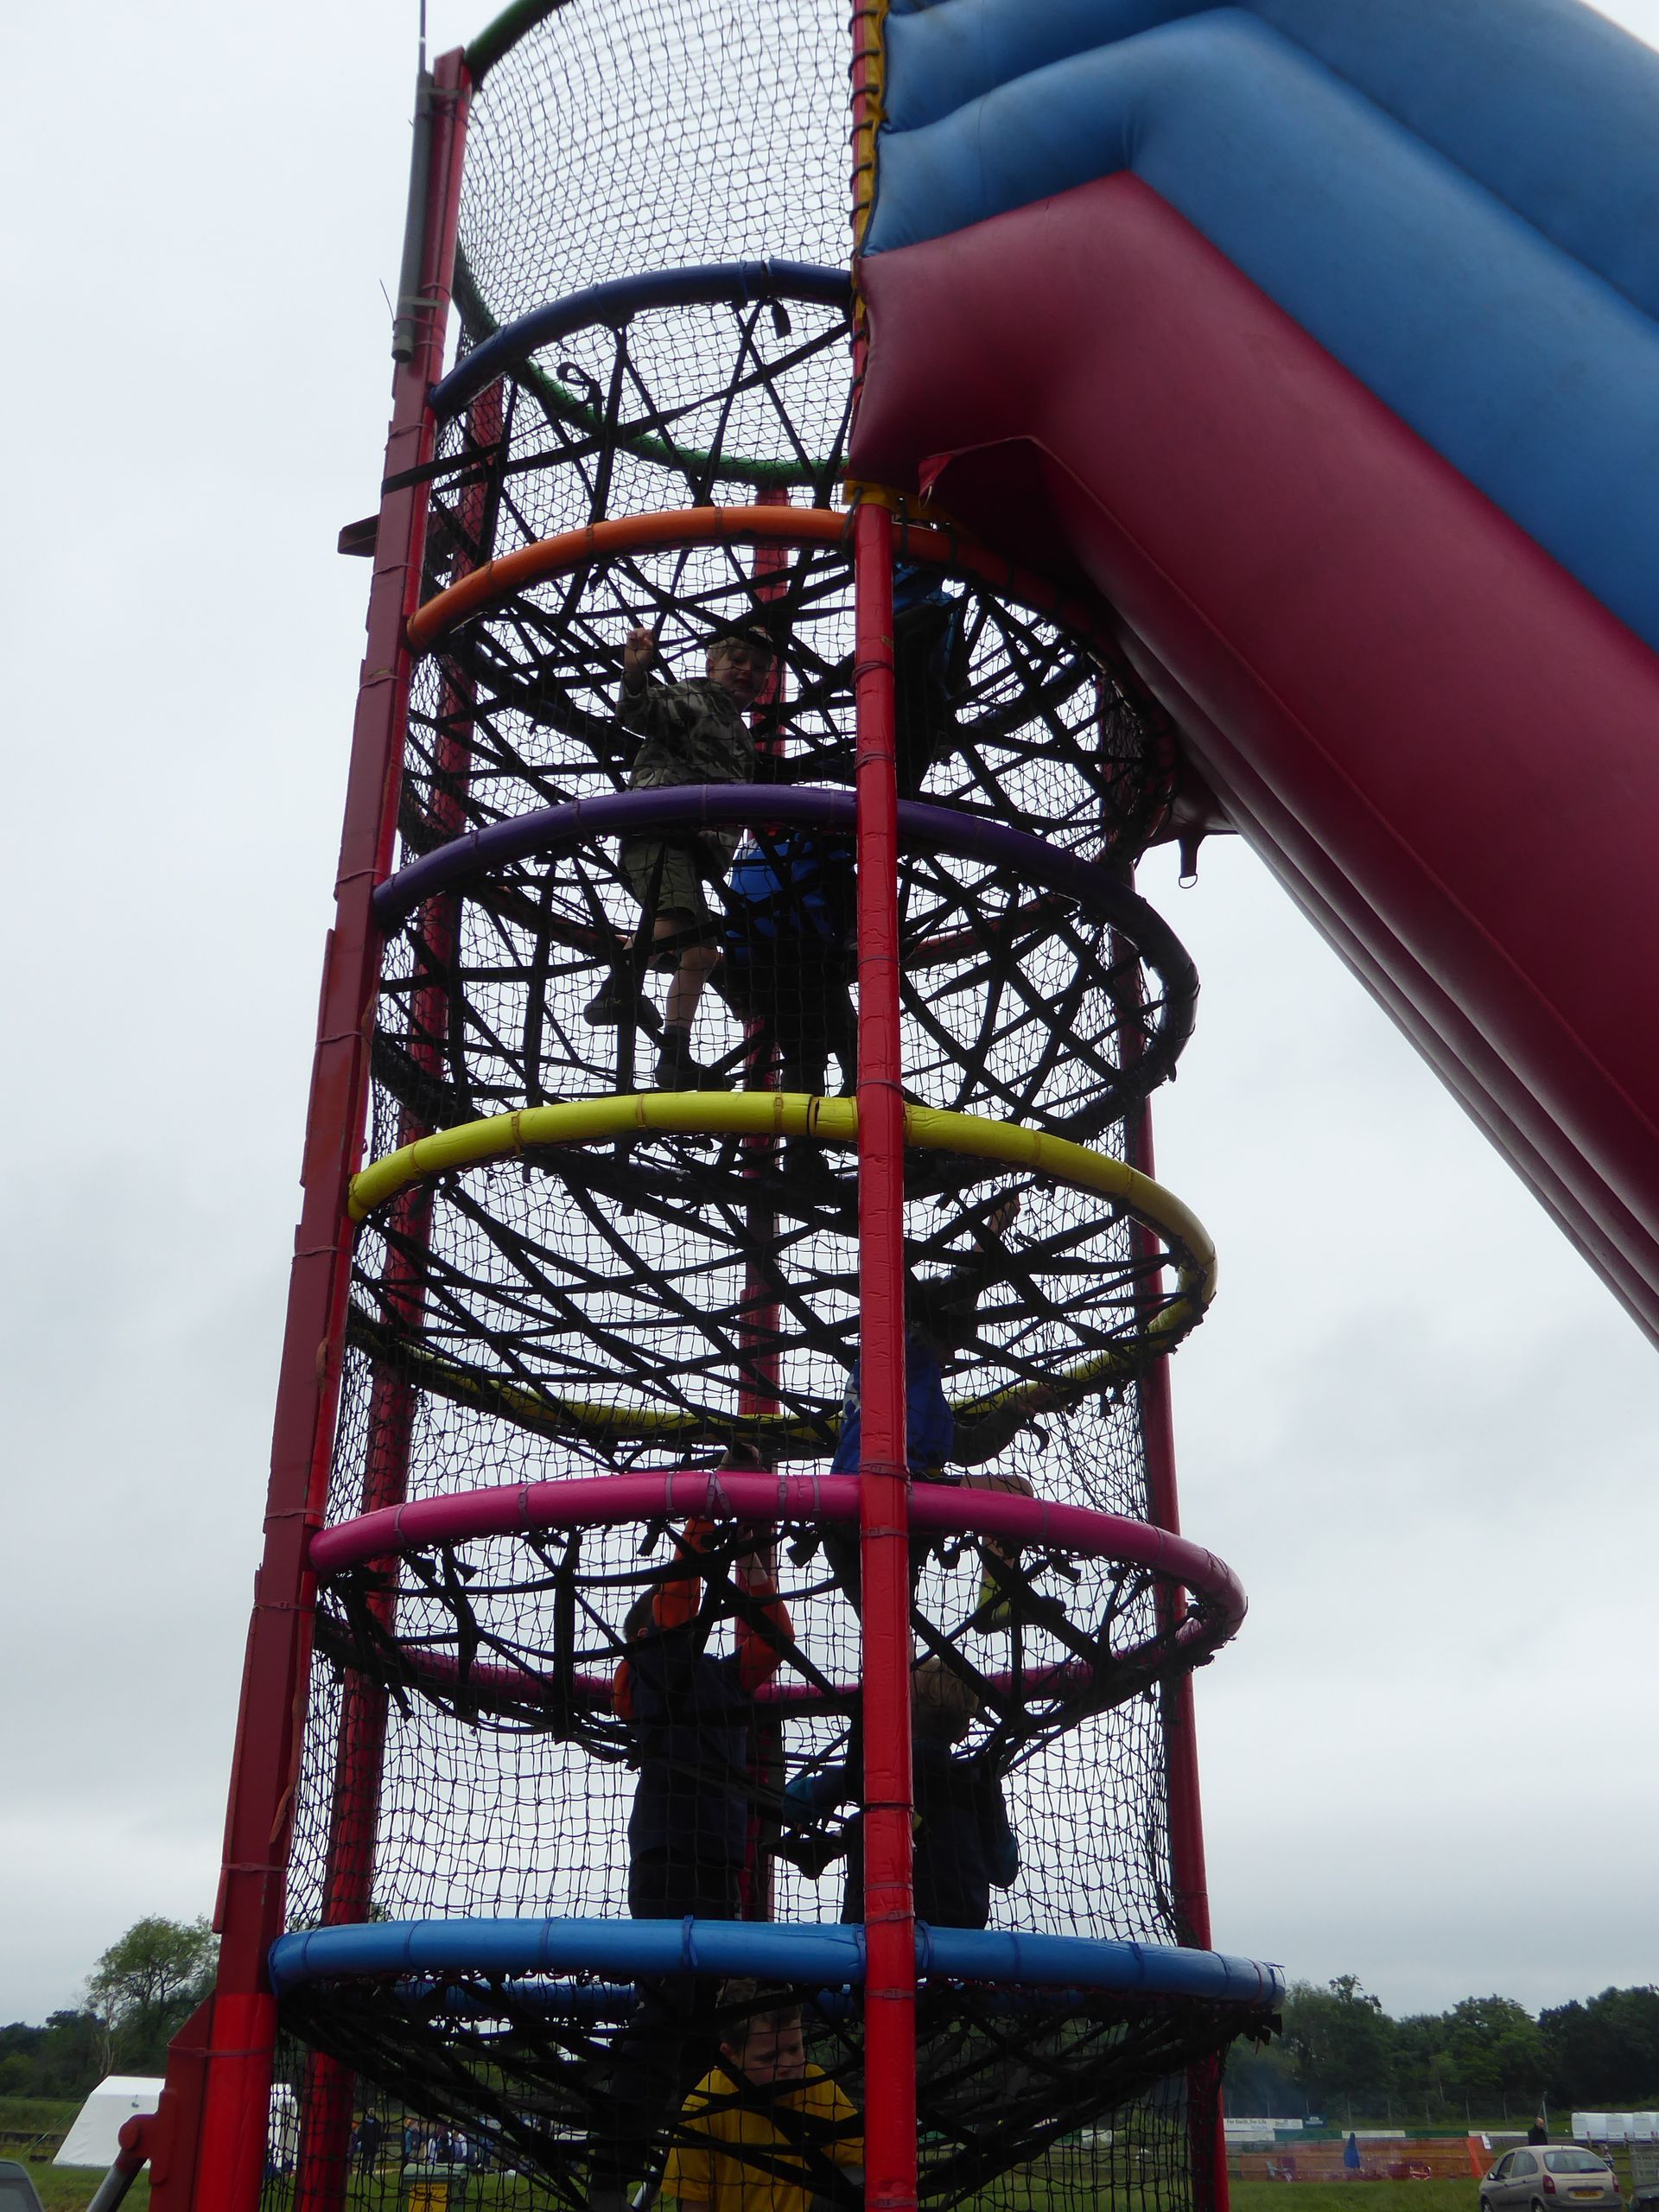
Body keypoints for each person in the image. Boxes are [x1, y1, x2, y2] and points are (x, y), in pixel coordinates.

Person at [588, 1525, 794, 2212]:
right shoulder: (651, 1671)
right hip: (668, 1859)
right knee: (669, 2011)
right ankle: (613, 2166)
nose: (690, 1627)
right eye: (672, 1622)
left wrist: (754, 1564)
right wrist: (702, 1536)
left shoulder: (719, 1677)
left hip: (714, 1862)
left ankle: (681, 2163)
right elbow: (677, 1606)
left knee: (706, 2023)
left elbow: (769, 1643)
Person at [826, 1195, 1055, 1622]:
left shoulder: (912, 1374)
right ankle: (998, 1601)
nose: (953, 1354)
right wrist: (994, 1228)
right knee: (1014, 1492)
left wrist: (1019, 1407)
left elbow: (966, 1449)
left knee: (893, 1634)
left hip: (873, 1507)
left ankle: (995, 1603)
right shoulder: (902, 1352)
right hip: (884, 1495)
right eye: (954, 1342)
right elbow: (958, 1293)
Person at [586, 620, 774, 1090]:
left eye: (757, 669)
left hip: (695, 852)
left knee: (703, 951)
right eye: (737, 662)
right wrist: (634, 673)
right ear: (712, 664)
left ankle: (674, 1053)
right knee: (671, 918)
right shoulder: (695, 698)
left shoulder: (744, 741)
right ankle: (614, 993)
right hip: (661, 835)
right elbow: (640, 710)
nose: (746, 673)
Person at [782, 1658, 1018, 1930]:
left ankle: (841, 1839)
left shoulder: (875, 1773)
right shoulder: (979, 1784)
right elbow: (1004, 1869)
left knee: (874, 1821)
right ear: (964, 1731)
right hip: (959, 1939)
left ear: (904, 1713)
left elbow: (792, 1802)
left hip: (875, 1930)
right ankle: (841, 1839)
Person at [660, 1981, 863, 2212]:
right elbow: (695, 2206)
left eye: (795, 2049)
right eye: (768, 2058)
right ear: (731, 2056)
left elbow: (862, 2164)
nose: (788, 2064)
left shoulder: (815, 2083)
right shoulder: (703, 2106)